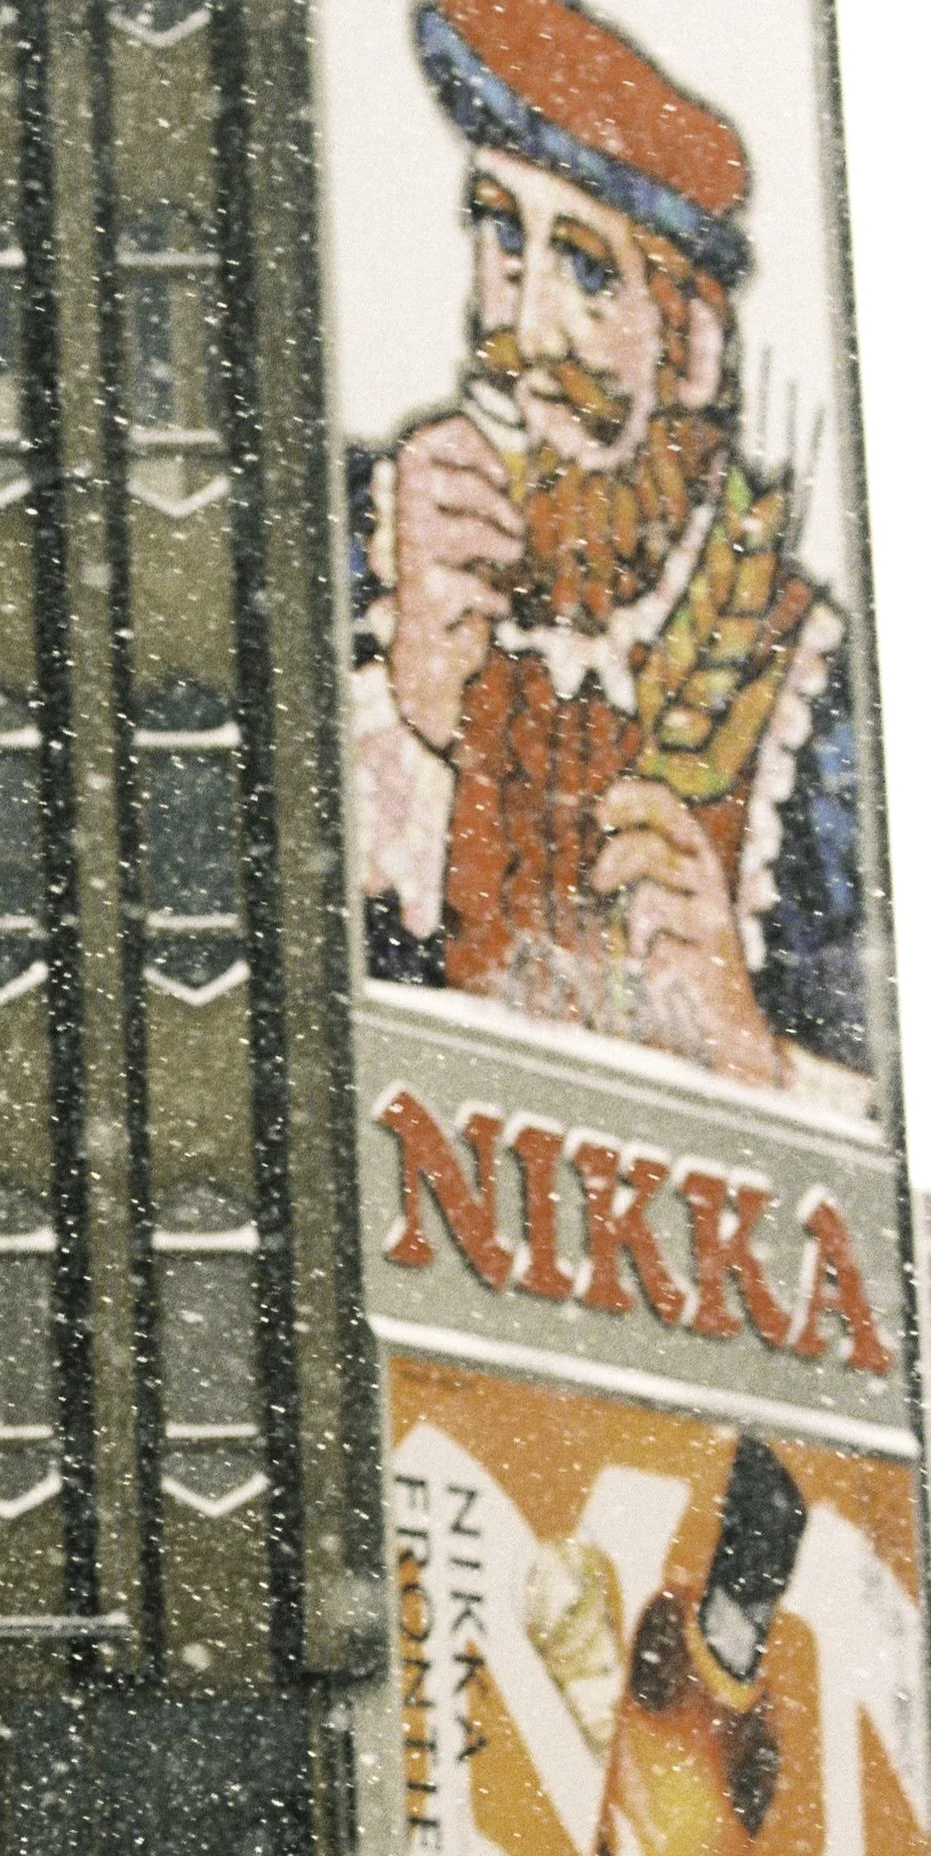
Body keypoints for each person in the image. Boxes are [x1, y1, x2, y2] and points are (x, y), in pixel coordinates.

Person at [350, 0, 867, 1110]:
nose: (521, 326)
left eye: (586, 270)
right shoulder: (357, 549)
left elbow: (871, 1081)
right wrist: (412, 726)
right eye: (500, 234)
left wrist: (750, 1051)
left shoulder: (811, 691)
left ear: (690, 349)